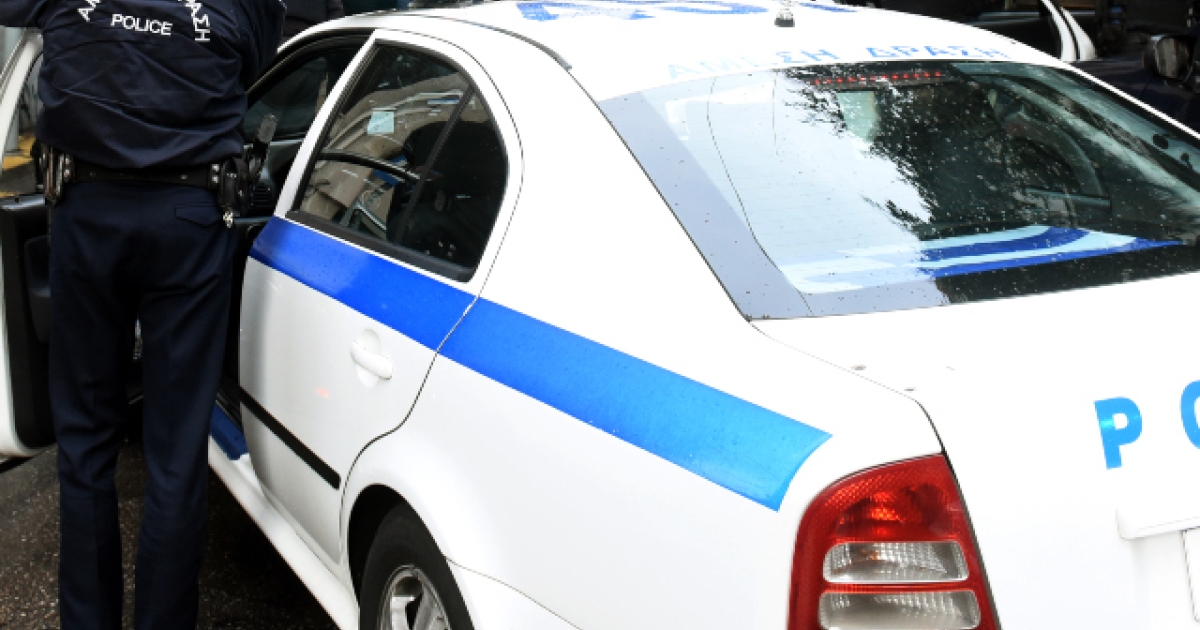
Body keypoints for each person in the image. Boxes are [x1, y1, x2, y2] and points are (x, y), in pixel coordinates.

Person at [0, 1, 284, 629]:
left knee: (85, 443)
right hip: (190, 217)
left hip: (88, 211)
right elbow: (255, 61)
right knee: (177, 453)